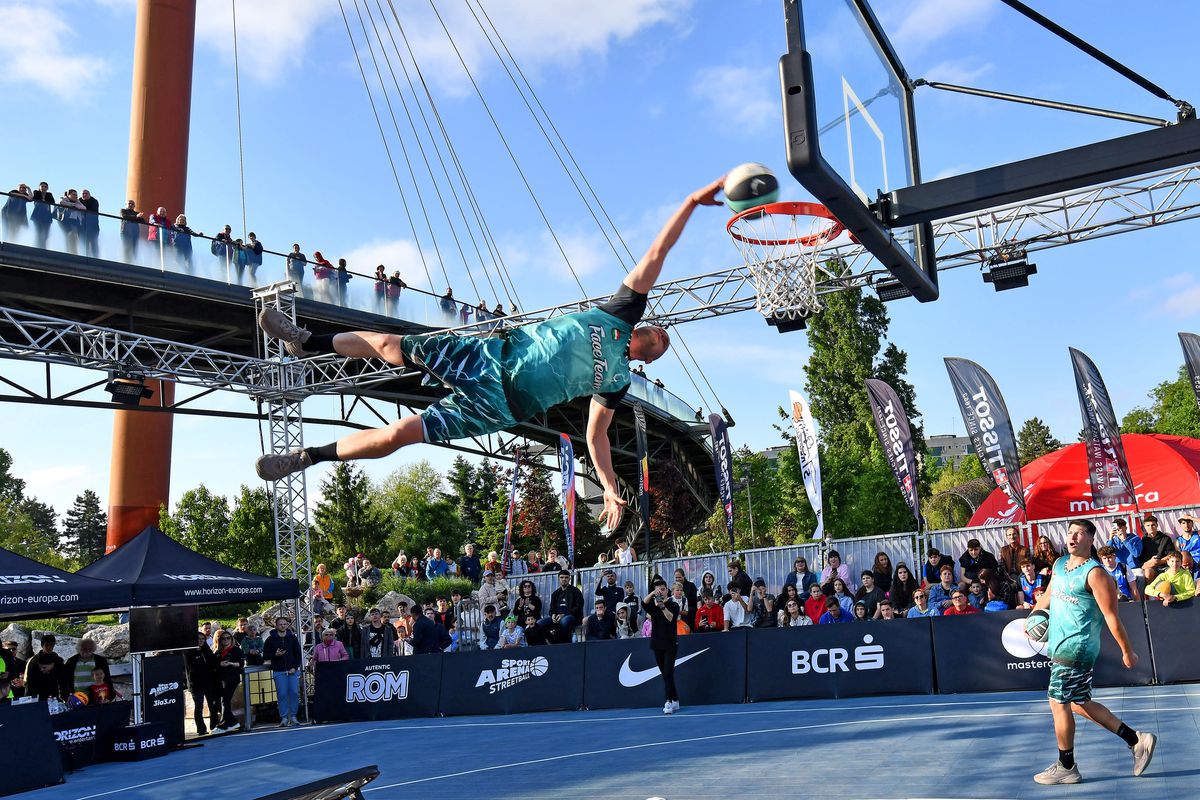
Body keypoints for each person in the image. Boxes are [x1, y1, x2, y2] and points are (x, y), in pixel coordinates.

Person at [254, 178, 727, 536]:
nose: (661, 338)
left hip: (501, 406)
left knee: (401, 434)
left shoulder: (618, 380)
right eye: (660, 331)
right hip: (488, 357)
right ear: (643, 325)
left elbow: (596, 434)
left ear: (649, 361)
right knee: (389, 347)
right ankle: (307, 339)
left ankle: (307, 457)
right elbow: (656, 254)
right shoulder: (621, 311)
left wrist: (607, 482)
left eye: (664, 344)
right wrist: (688, 204)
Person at [1031, 518, 1156, 785]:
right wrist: (1033, 616)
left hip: (1077, 648)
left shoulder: (1096, 574)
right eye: (1069, 532)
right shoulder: (1059, 564)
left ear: (1090, 540)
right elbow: (1048, 596)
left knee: (1058, 702)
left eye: (1079, 533)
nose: (1072, 537)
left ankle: (1067, 766)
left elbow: (1112, 617)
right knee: (1078, 703)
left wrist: (1127, 651)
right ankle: (1137, 740)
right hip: (1059, 645)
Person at [642, 577, 681, 714]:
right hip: (657, 644)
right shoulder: (653, 607)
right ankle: (675, 699)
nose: (661, 592)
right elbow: (644, 603)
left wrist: (662, 606)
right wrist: (653, 594)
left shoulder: (674, 604)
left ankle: (668, 702)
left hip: (670, 644)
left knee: (668, 673)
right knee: (665, 674)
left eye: (663, 589)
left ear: (667, 590)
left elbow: (671, 618)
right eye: (659, 590)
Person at [264, 616, 303, 727]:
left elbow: (298, 655)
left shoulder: (292, 638)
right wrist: (275, 655)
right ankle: (284, 718)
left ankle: (294, 716)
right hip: (279, 671)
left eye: (285, 624)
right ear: (276, 626)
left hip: (292, 671)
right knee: (282, 695)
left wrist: (295, 668)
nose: (283, 626)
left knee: (295, 693)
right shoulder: (270, 639)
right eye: (280, 624)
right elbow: (265, 655)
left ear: (287, 625)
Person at [185, 632, 219, 735]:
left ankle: (214, 726)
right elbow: (189, 667)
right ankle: (201, 729)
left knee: (213, 706)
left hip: (208, 683)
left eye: (203, 639)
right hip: (196, 684)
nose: (201, 641)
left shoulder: (207, 651)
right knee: (198, 707)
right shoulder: (189, 652)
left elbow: (213, 663)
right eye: (198, 639)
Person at [213, 631, 244, 733]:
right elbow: (214, 665)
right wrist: (220, 664)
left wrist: (230, 663)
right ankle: (232, 722)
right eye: (223, 638)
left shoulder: (236, 650)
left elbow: (240, 664)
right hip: (220, 679)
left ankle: (225, 723)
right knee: (223, 700)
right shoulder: (218, 652)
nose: (225, 640)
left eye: (228, 638)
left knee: (225, 700)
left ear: (231, 639)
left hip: (231, 678)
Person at [542, 570, 584, 642]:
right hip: (557, 617)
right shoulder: (555, 593)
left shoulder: (575, 591)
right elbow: (552, 609)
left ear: (569, 579)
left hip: (572, 616)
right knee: (540, 623)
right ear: (559, 579)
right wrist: (553, 615)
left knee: (565, 621)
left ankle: (564, 643)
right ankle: (548, 642)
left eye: (566, 577)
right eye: (562, 577)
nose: (564, 579)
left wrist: (565, 614)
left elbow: (579, 606)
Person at [24, 636, 68, 702]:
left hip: (53, 693)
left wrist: (64, 696)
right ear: (42, 645)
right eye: (47, 645)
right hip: (38, 693)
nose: (49, 648)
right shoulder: (34, 661)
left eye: (51, 645)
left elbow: (63, 679)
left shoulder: (58, 659)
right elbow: (29, 681)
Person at [1137, 516, 1176, 582]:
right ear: (1144, 527)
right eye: (1148, 525)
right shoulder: (1142, 541)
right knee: (1148, 571)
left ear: (1157, 525)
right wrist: (1149, 564)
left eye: (1153, 525)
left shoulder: (1165, 538)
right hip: (1150, 568)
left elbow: (1171, 555)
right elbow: (1140, 560)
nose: (1151, 527)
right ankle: (1149, 592)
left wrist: (1157, 562)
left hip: (1165, 567)